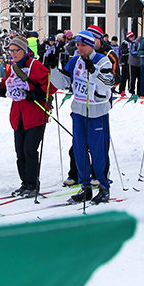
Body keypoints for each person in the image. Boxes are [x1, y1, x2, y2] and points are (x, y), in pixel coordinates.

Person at [51, 29, 117, 202]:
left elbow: (107, 85)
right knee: (79, 150)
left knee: (98, 151)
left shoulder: (103, 61)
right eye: (77, 45)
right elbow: (64, 83)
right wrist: (52, 70)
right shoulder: (75, 61)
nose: (79, 48)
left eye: (82, 45)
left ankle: (103, 186)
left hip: (97, 112)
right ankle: (85, 187)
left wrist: (94, 72)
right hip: (79, 111)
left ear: (90, 45)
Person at [0, 35, 51, 199]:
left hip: (35, 115)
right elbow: (5, 89)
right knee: (20, 153)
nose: (13, 53)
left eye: (16, 50)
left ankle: (32, 184)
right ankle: (25, 183)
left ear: (24, 50)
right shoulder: (12, 69)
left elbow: (50, 85)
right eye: (11, 50)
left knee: (29, 150)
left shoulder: (35, 66)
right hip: (18, 116)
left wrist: (37, 93)